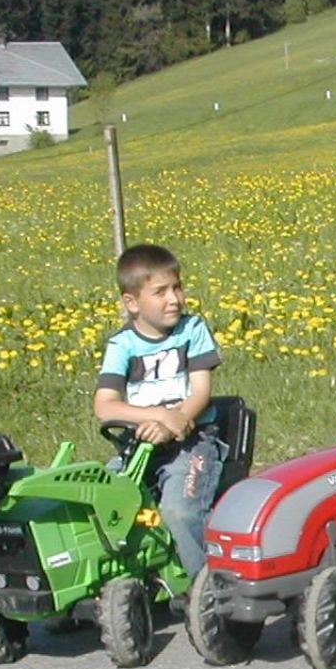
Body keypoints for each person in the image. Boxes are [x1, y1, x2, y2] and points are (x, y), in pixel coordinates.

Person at [93, 243, 225, 578]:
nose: (175, 298)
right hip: (139, 446)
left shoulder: (192, 331)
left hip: (191, 443)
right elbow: (105, 405)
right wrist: (156, 416)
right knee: (102, 501)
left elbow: (201, 393)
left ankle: (206, 588)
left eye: (177, 287)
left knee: (178, 510)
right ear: (132, 302)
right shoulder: (121, 345)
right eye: (160, 291)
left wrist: (175, 421)